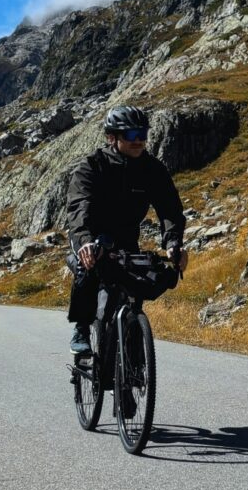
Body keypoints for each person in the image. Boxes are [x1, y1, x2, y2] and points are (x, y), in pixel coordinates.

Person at [66, 105, 188, 353]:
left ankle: (131, 339)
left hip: (126, 237)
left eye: (142, 134)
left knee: (138, 280)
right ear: (113, 137)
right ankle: (81, 328)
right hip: (91, 234)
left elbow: (170, 209)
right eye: (131, 135)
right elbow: (80, 207)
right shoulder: (92, 167)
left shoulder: (152, 169)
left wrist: (174, 243)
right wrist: (85, 241)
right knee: (87, 267)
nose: (139, 141)